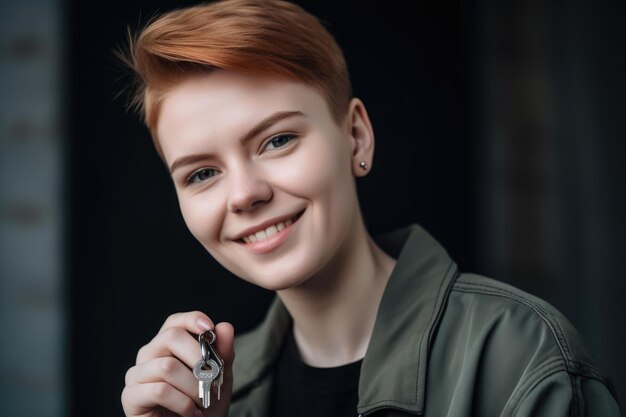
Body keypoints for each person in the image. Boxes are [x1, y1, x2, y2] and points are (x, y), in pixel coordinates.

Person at [119, 1, 621, 416]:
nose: (244, 194)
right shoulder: (215, 396)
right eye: (202, 173)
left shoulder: (521, 357)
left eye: (277, 140)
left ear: (356, 135)